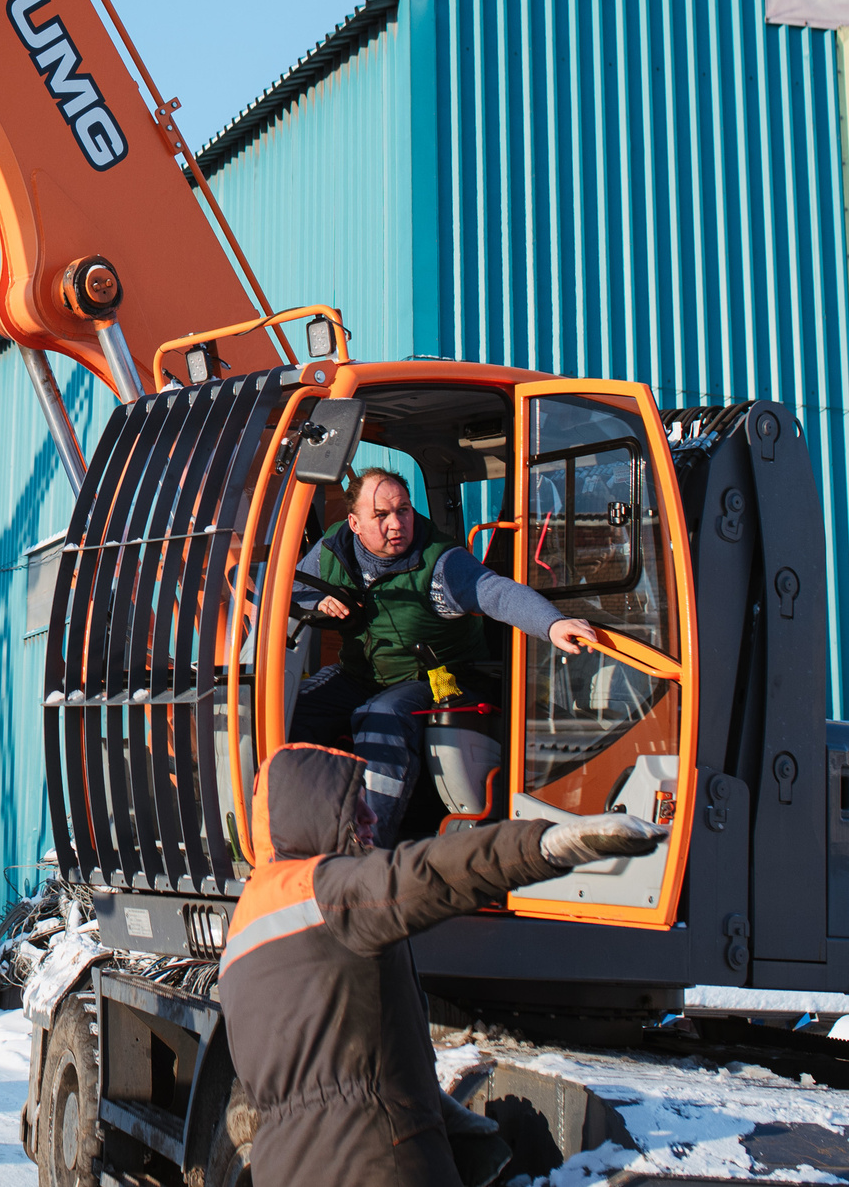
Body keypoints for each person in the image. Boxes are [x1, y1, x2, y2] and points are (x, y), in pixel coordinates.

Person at [222, 744, 667, 1187]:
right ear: (312, 817)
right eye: (355, 812)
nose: (373, 818)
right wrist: (546, 845)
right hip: (375, 1164)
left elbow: (323, 1072)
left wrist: (436, 1109)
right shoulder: (330, 892)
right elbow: (429, 872)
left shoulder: (243, 936)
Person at [292, 467, 599, 844]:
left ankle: (369, 847)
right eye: (382, 515)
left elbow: (495, 593)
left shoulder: (440, 563)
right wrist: (318, 600)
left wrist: (552, 624)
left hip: (439, 677)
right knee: (295, 707)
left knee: (381, 717)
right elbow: (288, 588)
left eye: (403, 510)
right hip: (362, 675)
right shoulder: (331, 550)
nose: (396, 524)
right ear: (354, 523)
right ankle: (307, 831)